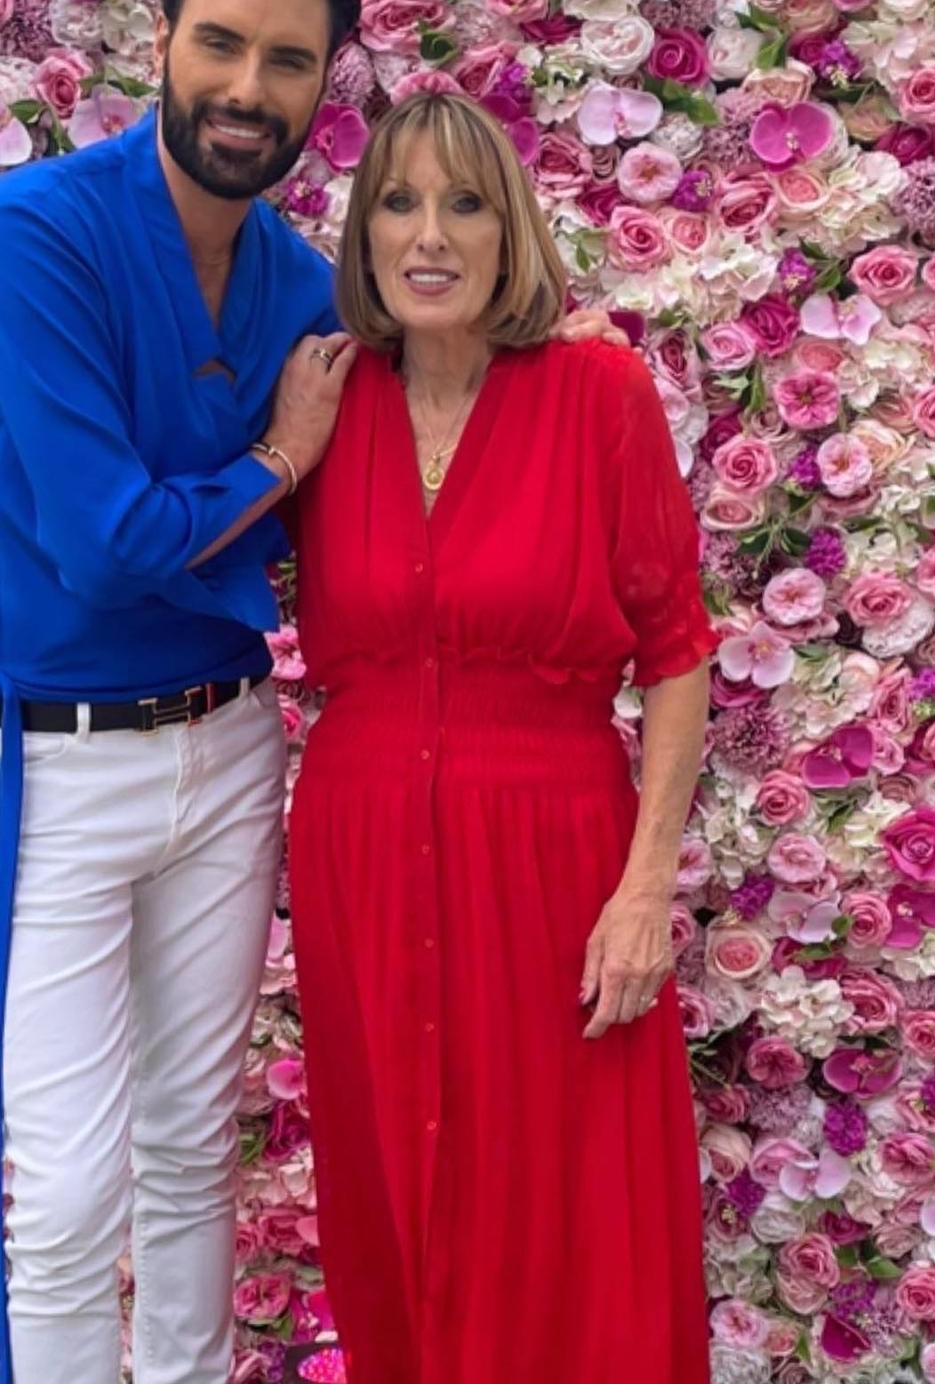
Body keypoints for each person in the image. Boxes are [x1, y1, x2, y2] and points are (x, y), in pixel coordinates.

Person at [0, 0, 620, 1384]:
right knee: (58, 1202)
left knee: (189, 1156)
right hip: (55, 762)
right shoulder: (36, 230)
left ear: (324, 86)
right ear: (161, 41)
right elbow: (108, 548)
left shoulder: (313, 286)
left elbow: (425, 486)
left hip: (231, 749)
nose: (248, 88)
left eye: (287, 62)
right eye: (222, 44)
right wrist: (275, 462)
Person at [287, 92, 716, 1384]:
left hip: (552, 866)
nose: (431, 235)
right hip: (361, 863)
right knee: (399, 1203)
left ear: (510, 227)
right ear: (363, 237)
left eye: (465, 202)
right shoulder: (324, 401)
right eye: (400, 204)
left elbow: (678, 650)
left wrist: (647, 890)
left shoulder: (598, 395)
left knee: (574, 1215)